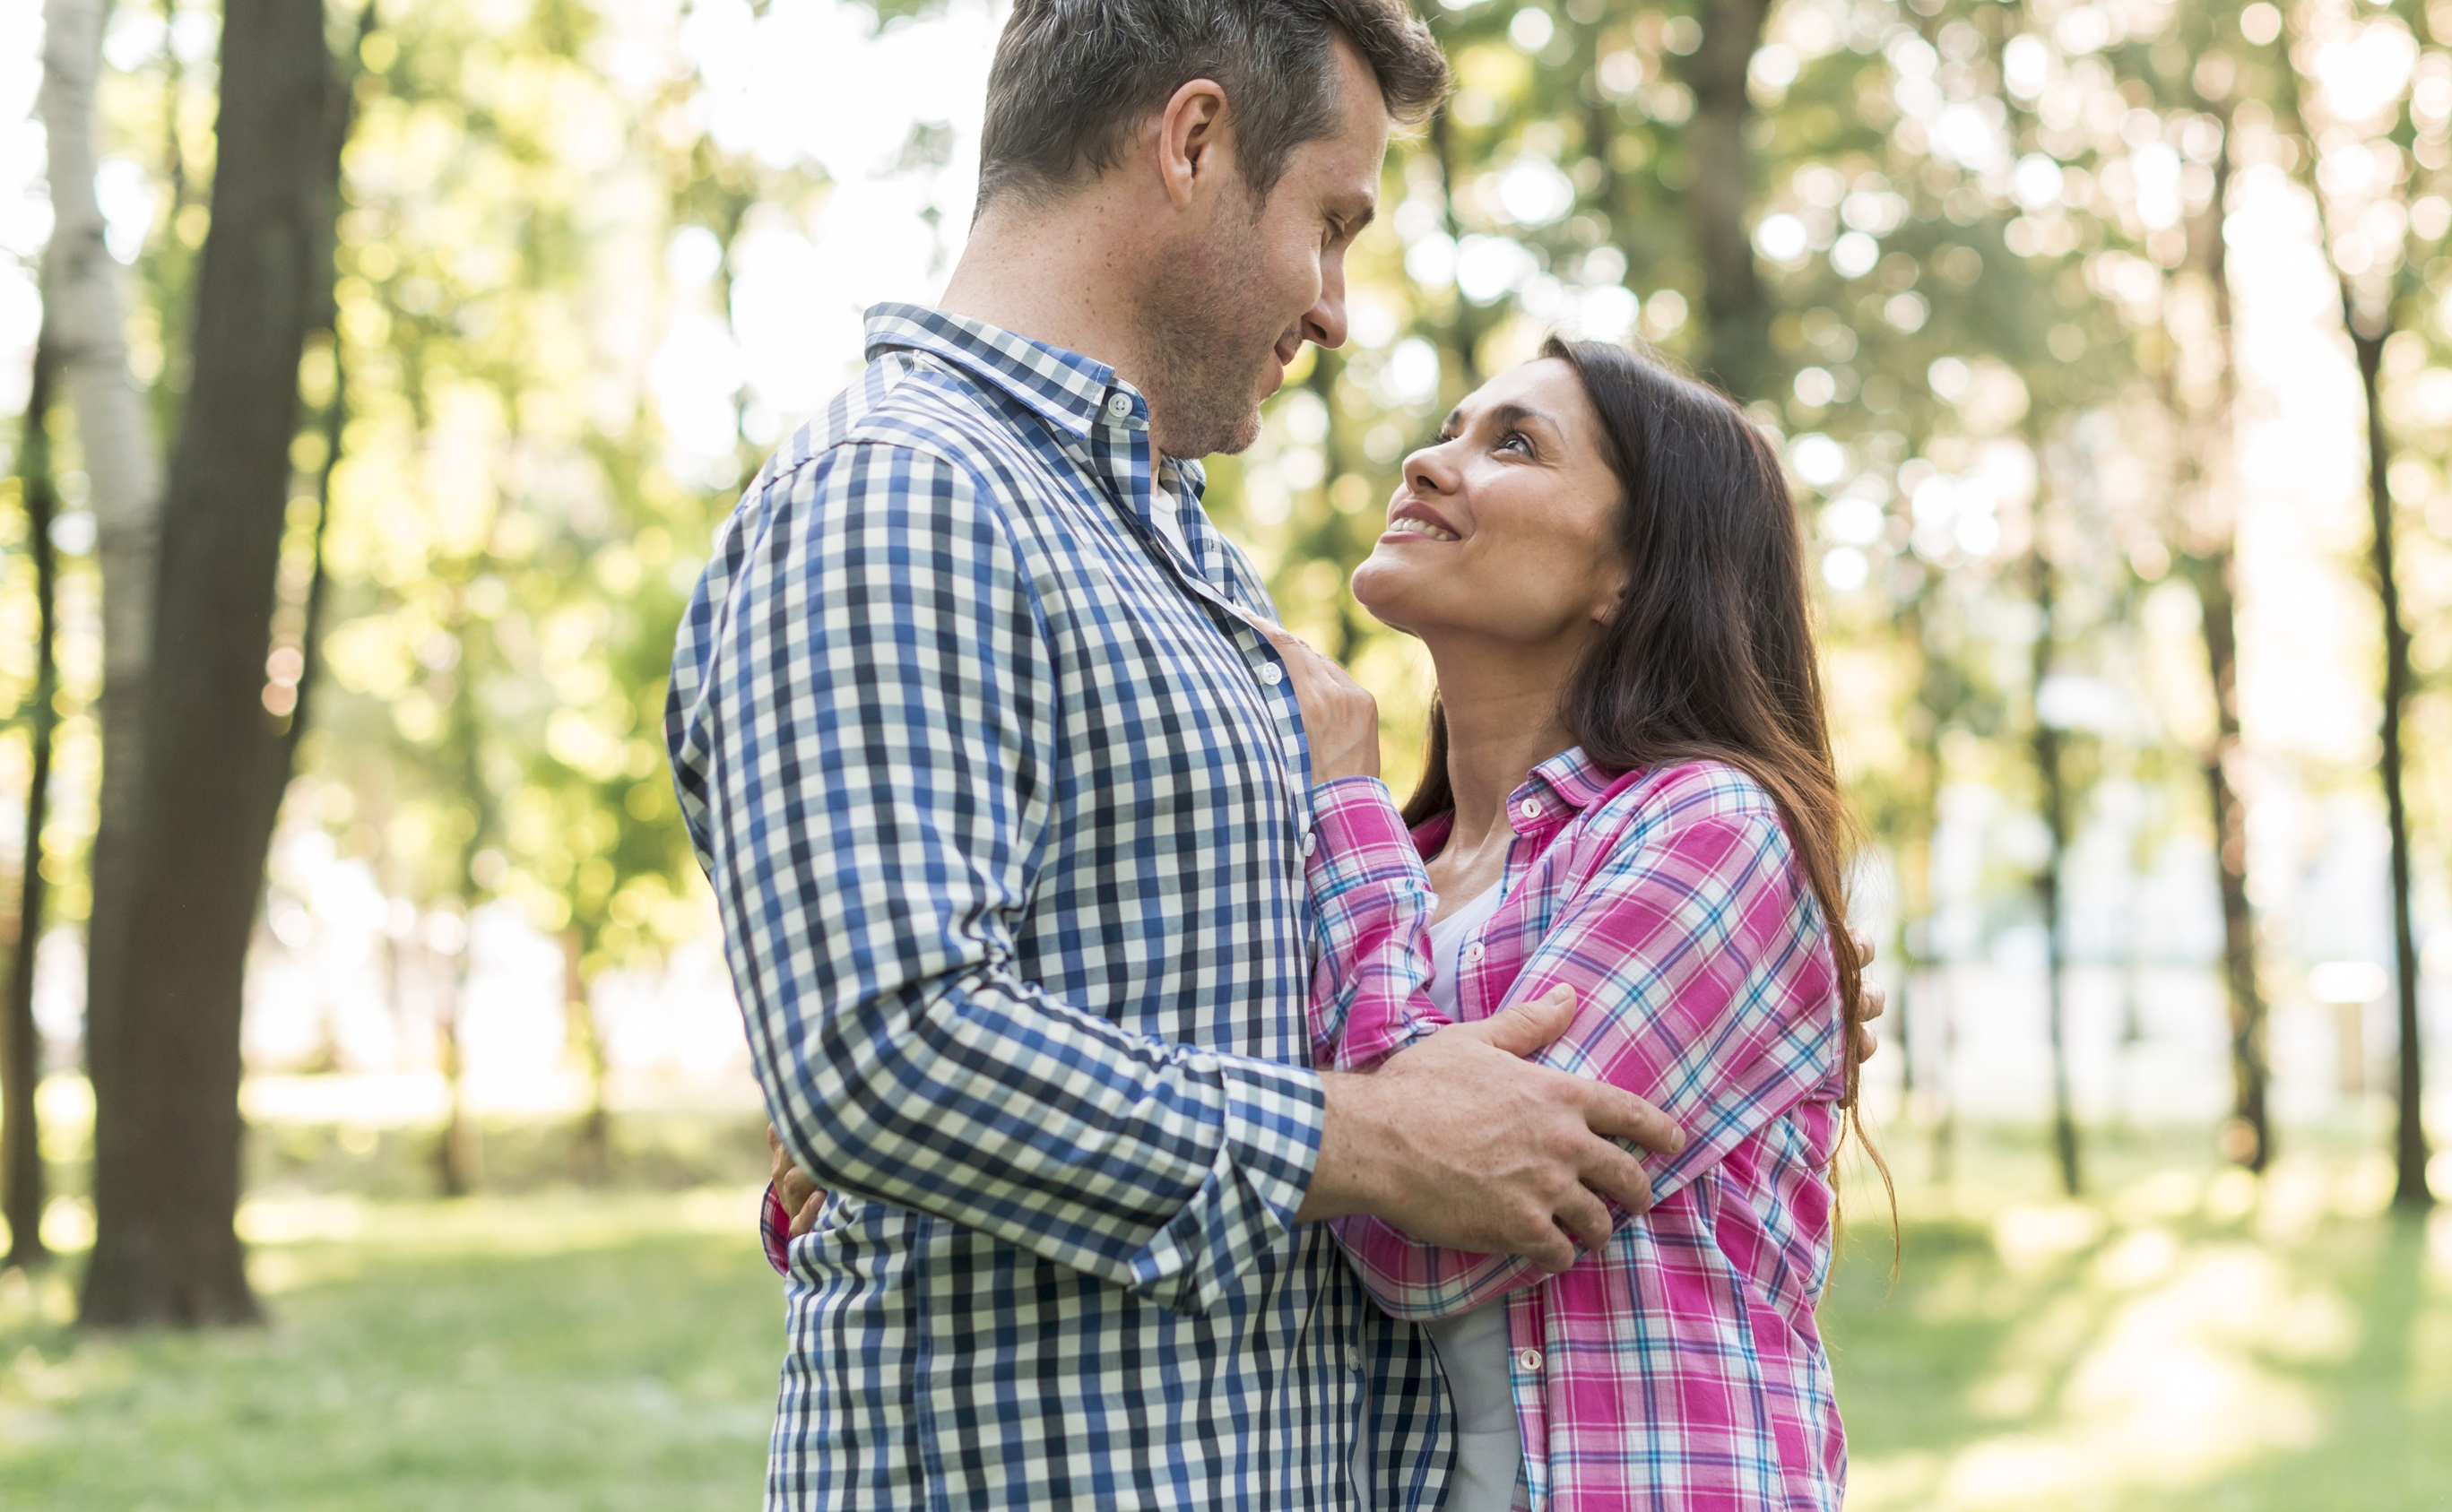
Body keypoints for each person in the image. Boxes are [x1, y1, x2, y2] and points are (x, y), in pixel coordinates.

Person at [666, 1, 1703, 1506]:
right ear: (1195, 140)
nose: (1337, 307)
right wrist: (1357, 1143)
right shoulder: (901, 498)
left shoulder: (1159, 548)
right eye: (1330, 223)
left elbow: (1253, 994)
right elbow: (884, 1053)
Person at [1253, 340, 1878, 1510]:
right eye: (1451, 427)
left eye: (1515, 444)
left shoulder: (1710, 831)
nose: (1431, 464)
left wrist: (1341, 798)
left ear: (1629, 575)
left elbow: (1433, 1243)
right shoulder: (1393, 870)